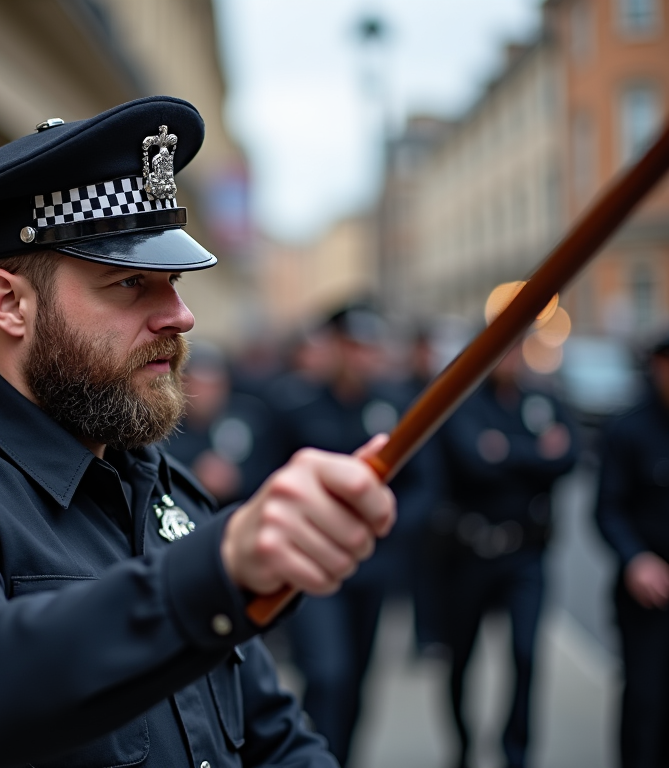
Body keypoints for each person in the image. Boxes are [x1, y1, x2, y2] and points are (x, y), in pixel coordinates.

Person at [0, 96, 397, 767]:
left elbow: (274, 737)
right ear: (10, 304)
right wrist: (219, 570)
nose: (180, 315)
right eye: (131, 283)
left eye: (172, 281)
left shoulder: (164, 493)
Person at [271, 303, 435, 766]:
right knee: (327, 675)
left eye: (369, 347)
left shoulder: (396, 407)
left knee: (358, 680)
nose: (361, 356)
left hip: (371, 564)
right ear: (336, 348)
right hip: (312, 564)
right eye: (352, 346)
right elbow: (266, 478)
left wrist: (384, 523)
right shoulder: (295, 404)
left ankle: (340, 757)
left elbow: (424, 484)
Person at [439, 343, 579, 768]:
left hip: (527, 553)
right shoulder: (463, 404)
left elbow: (569, 458)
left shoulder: (543, 399)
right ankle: (462, 744)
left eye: (515, 352)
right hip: (472, 553)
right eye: (501, 352)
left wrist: (505, 450)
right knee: (461, 657)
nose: (509, 362)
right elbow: (474, 462)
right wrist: (536, 452)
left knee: (525, 653)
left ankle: (515, 752)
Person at [595, 334, 669, 768]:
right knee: (645, 698)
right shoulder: (629, 429)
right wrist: (636, 559)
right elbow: (607, 508)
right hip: (648, 592)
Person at [164, 340, 284, 506]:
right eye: (198, 385)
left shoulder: (250, 417)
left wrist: (237, 480)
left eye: (214, 385)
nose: (207, 394)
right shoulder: (168, 426)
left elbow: (270, 469)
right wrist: (194, 475)